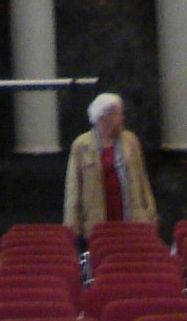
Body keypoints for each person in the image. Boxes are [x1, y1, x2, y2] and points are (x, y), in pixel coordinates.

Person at [63, 90, 157, 241]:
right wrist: (71, 226)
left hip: (131, 217)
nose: (122, 119)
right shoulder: (81, 145)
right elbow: (73, 188)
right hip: (97, 219)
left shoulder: (131, 141)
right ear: (105, 116)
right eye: (119, 114)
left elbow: (142, 181)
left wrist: (150, 213)